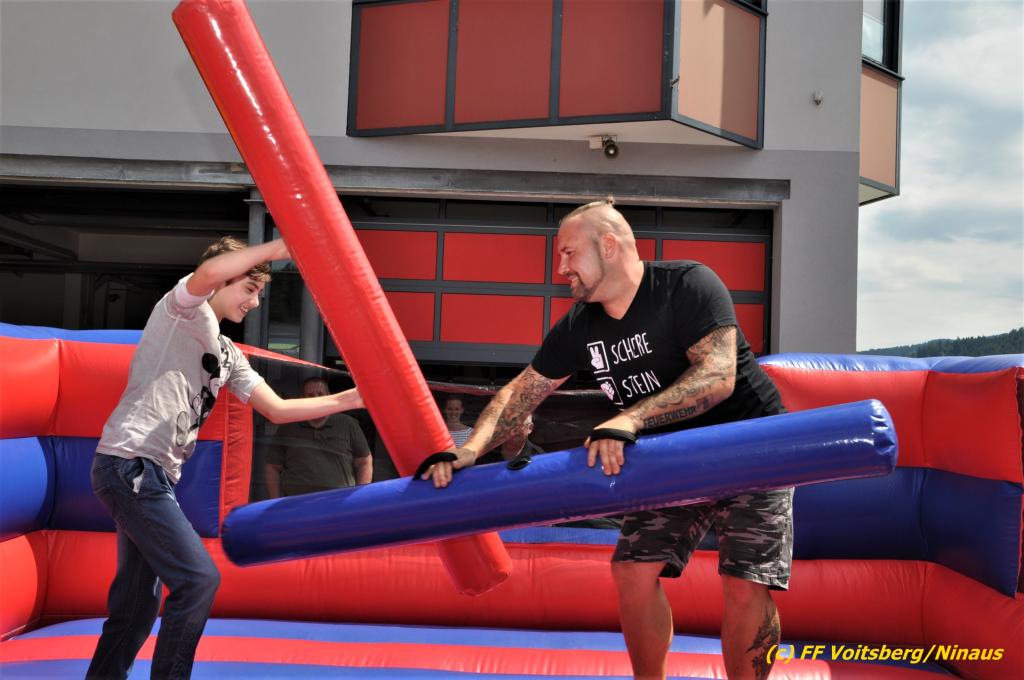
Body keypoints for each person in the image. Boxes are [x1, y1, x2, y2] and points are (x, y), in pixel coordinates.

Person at [424, 199, 790, 680]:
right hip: (671, 458)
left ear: (609, 245)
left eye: (569, 253)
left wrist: (630, 420)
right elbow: (521, 391)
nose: (561, 268)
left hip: (752, 447)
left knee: (744, 582)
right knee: (632, 571)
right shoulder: (581, 324)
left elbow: (718, 375)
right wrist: (470, 449)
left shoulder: (687, 285)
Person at [87, 236, 363, 680]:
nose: (255, 302)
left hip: (153, 475)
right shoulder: (182, 310)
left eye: (260, 293)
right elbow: (209, 273)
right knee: (198, 579)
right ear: (223, 278)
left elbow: (278, 409)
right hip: (131, 464)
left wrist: (353, 399)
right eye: (250, 290)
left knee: (136, 609)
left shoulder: (229, 353)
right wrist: (276, 249)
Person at [264, 376, 372, 496]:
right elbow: (272, 466)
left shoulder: (347, 424)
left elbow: (364, 461)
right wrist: (276, 500)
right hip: (297, 502)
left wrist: (360, 498)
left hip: (339, 501)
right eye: (310, 395)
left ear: (329, 396)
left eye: (320, 394)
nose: (316, 399)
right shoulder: (288, 426)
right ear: (303, 399)